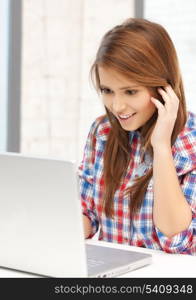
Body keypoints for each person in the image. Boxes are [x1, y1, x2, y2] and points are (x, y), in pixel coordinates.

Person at [77, 18, 196, 255]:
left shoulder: (189, 140)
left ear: (163, 88)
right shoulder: (102, 132)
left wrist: (161, 147)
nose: (117, 106)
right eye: (107, 91)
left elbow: (178, 240)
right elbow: (86, 213)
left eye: (130, 91)